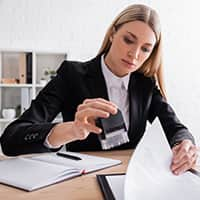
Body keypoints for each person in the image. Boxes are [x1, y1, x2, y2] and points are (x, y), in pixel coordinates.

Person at [0, 4, 198, 175]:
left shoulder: (145, 84)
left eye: (145, 48)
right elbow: (11, 139)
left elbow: (176, 129)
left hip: (130, 178)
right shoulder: (72, 75)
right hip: (81, 178)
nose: (134, 54)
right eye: (128, 40)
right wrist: (71, 130)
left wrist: (184, 145)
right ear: (112, 33)